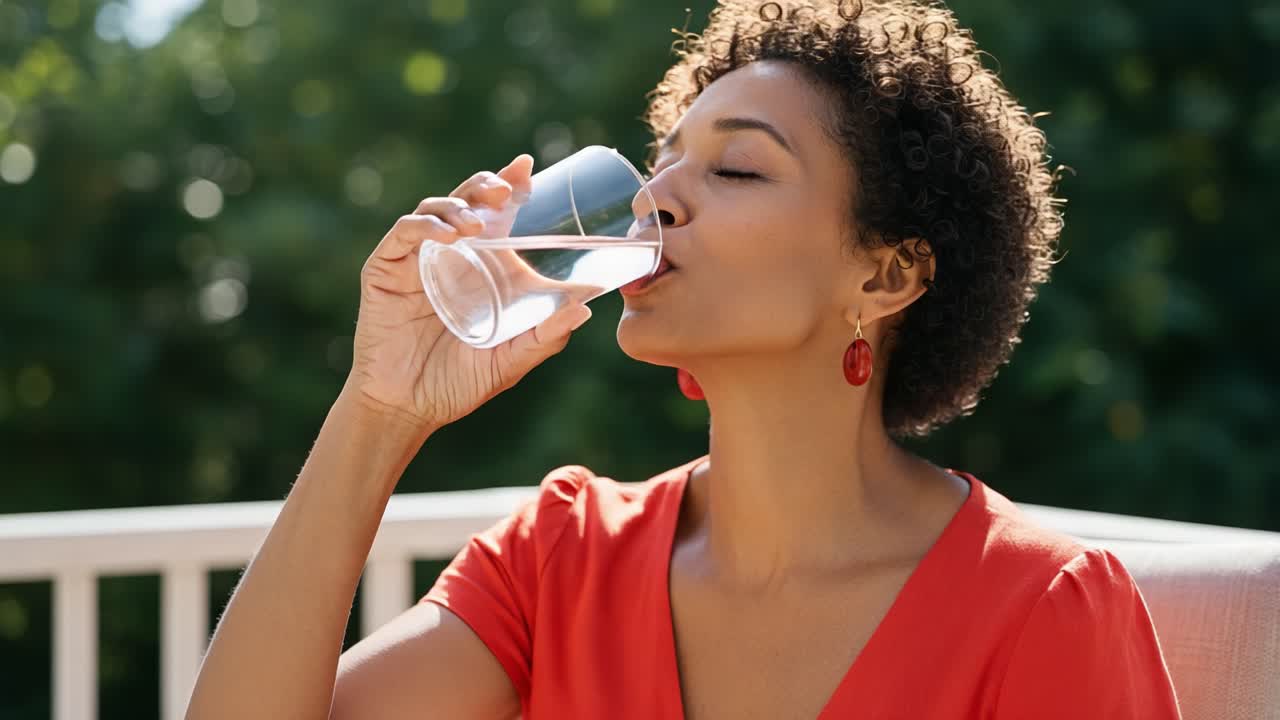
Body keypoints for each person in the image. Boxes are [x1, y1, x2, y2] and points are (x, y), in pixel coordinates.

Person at [186, 1, 1183, 718]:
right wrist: (380, 409)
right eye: (662, 160)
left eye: (737, 167)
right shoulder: (558, 560)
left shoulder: (1042, 609)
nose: (654, 198)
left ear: (885, 277)